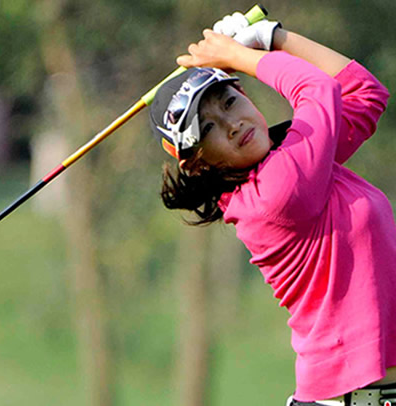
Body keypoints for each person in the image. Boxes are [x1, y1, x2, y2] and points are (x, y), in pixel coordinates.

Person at [149, 11, 394, 406]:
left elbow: (364, 93)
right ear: (197, 163)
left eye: (230, 102)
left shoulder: (299, 164)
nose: (231, 123)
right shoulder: (277, 191)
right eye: (208, 128)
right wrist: (244, 54)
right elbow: (317, 88)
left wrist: (271, 38)